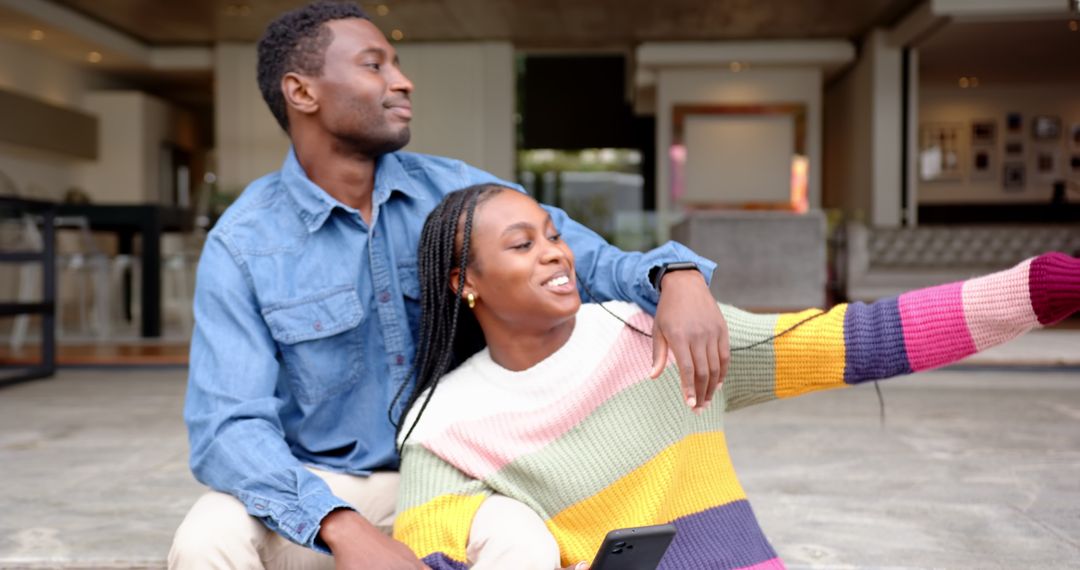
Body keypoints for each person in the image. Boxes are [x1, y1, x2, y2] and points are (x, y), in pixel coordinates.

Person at [169, 2, 731, 569]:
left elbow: (591, 264)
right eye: (375, 66)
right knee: (207, 535)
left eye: (397, 64)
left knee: (520, 539)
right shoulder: (243, 244)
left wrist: (676, 275)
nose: (402, 81)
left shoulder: (459, 193)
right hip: (330, 490)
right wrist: (341, 527)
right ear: (302, 92)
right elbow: (227, 428)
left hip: (467, 475)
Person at [392, 184, 1080, 570]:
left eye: (551, 233)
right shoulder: (444, 422)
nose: (555, 254)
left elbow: (858, 340)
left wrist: (1035, 291)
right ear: (464, 284)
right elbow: (430, 553)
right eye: (522, 244)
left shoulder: (647, 333)